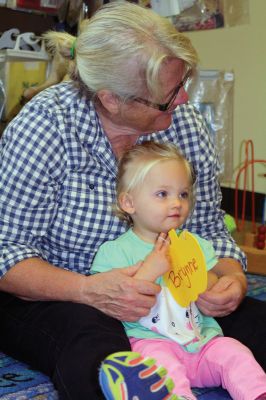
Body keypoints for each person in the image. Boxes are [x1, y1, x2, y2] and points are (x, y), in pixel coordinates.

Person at [0, 1, 265, 399]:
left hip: (176, 295)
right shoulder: (46, 126)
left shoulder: (184, 124)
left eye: (182, 83)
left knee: (254, 322)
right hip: (59, 293)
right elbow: (5, 252)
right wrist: (89, 290)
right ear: (111, 100)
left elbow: (211, 227)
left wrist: (232, 279)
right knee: (91, 342)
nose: (183, 100)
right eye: (169, 94)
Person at [92, 141, 266, 400]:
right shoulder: (114, 252)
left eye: (183, 194)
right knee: (160, 369)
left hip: (202, 342)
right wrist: (150, 271)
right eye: (162, 194)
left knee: (235, 353)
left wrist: (212, 285)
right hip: (151, 343)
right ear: (129, 202)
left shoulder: (193, 244)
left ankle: (257, 393)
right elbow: (111, 304)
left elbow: (209, 280)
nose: (176, 203)